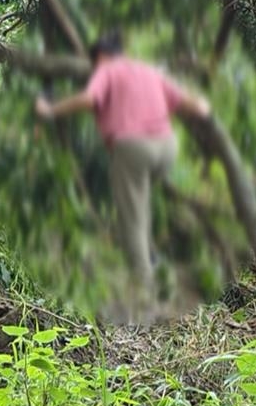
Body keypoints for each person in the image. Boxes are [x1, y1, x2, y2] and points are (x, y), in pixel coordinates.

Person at [34, 30, 210, 324]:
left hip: (133, 147)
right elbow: (190, 104)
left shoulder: (107, 68)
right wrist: (205, 108)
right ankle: (153, 260)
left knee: (133, 227)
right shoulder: (148, 71)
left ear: (100, 56)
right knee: (138, 210)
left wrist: (51, 111)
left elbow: (90, 99)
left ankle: (148, 302)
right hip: (166, 149)